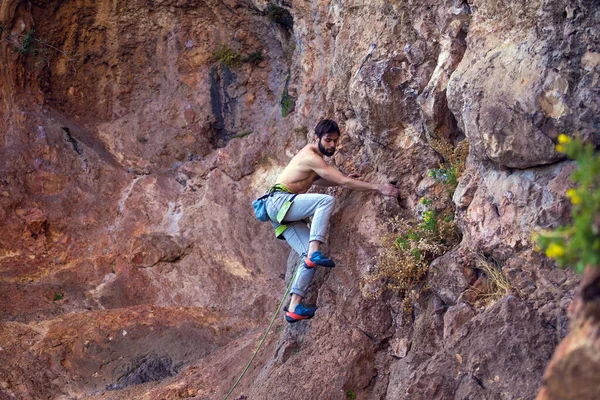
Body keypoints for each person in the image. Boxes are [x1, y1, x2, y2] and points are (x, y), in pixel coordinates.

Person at [264, 119, 398, 323]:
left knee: (304, 257)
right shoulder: (310, 156)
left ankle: (293, 308)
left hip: (280, 209)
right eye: (328, 140)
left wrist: (341, 179)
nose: (332, 145)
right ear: (316, 138)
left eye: (335, 141)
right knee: (325, 202)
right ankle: (314, 251)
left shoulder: (312, 158)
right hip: (279, 202)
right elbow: (342, 181)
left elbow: (318, 179)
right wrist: (378, 188)